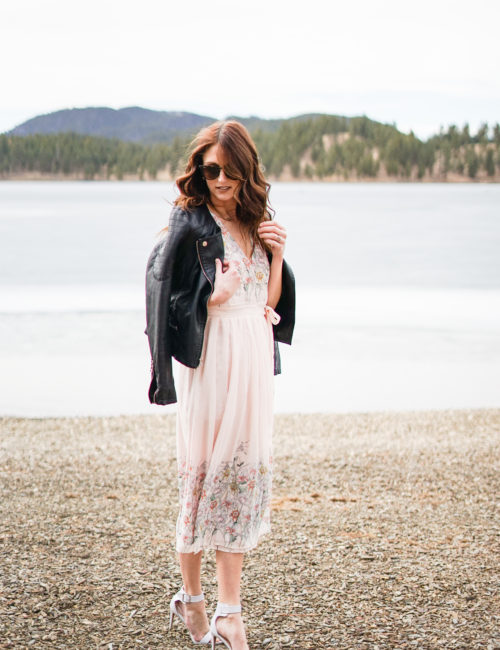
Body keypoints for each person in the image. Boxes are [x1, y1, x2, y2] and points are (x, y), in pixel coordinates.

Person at [145, 120, 295, 649]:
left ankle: (229, 613)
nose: (222, 180)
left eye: (231, 171)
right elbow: (161, 295)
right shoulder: (189, 222)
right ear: (201, 172)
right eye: (212, 171)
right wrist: (212, 298)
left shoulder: (257, 222)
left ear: (246, 170)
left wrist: (277, 255)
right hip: (210, 359)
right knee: (203, 475)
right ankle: (191, 597)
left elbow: (267, 303)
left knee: (241, 477)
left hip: (253, 356)